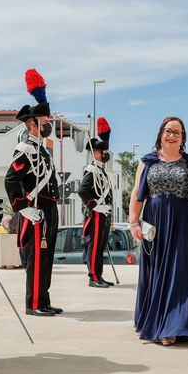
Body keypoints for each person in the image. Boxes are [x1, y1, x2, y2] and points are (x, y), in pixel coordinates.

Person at [130, 117, 188, 345]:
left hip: (183, 221)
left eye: (177, 132)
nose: (172, 135)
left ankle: (177, 324)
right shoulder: (147, 161)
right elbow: (137, 192)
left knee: (180, 271)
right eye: (168, 131)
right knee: (158, 272)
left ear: (183, 138)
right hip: (155, 221)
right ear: (160, 134)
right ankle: (160, 321)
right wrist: (133, 223)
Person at [4, 69, 61, 317]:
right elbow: (11, 180)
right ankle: (33, 304)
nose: (48, 127)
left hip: (48, 208)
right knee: (36, 258)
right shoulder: (25, 150)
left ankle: (44, 300)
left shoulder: (43, 151)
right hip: (35, 209)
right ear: (32, 123)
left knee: (46, 258)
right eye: (45, 123)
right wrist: (23, 208)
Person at [78, 116, 115, 288]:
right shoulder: (92, 170)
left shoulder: (102, 171)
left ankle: (98, 275)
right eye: (103, 152)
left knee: (100, 246)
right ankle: (93, 277)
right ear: (96, 153)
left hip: (104, 214)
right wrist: (96, 206)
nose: (106, 154)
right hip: (96, 215)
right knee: (94, 246)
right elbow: (83, 191)